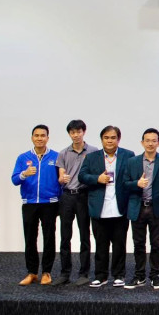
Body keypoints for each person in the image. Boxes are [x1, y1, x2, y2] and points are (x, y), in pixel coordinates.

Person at [79, 125, 135, 288]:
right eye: (106, 138)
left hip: (120, 206)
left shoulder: (128, 155)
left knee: (119, 244)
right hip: (99, 207)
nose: (109, 141)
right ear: (102, 139)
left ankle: (119, 275)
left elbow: (132, 177)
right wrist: (97, 179)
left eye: (113, 138)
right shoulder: (92, 157)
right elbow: (82, 176)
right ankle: (101, 276)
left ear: (118, 139)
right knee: (101, 244)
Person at [122, 128, 159, 290]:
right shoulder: (132, 161)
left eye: (154, 140)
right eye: (147, 140)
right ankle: (139, 276)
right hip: (137, 207)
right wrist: (136, 184)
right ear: (142, 142)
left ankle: (155, 275)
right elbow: (124, 183)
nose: (150, 143)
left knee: (156, 243)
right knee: (138, 243)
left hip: (156, 207)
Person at [12, 124, 61, 286]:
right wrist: (24, 174)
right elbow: (14, 180)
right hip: (30, 203)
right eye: (37, 135)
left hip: (50, 204)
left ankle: (46, 272)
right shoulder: (23, 157)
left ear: (48, 138)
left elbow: (61, 181)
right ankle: (32, 272)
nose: (40, 138)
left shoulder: (56, 157)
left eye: (43, 135)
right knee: (30, 238)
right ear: (32, 138)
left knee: (49, 238)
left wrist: (59, 199)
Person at [53, 119, 99, 286]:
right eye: (73, 132)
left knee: (85, 235)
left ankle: (84, 273)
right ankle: (65, 273)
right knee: (65, 236)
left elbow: (97, 172)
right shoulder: (63, 153)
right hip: (67, 196)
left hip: (84, 195)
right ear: (69, 134)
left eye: (79, 132)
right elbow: (60, 176)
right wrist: (61, 178)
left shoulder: (93, 151)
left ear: (83, 132)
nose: (76, 135)